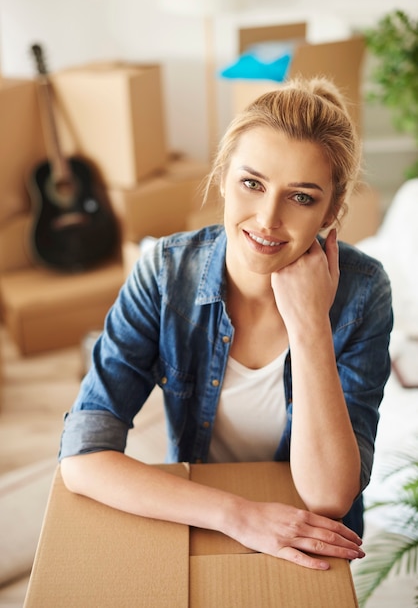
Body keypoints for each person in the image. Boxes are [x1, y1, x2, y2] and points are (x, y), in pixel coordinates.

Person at [59, 76, 393, 571]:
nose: (267, 218)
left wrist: (309, 325)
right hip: (203, 516)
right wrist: (237, 515)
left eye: (301, 197)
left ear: (332, 211)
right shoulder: (165, 272)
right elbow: (83, 458)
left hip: (307, 540)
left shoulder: (364, 292)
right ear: (222, 176)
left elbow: (328, 497)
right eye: (252, 183)